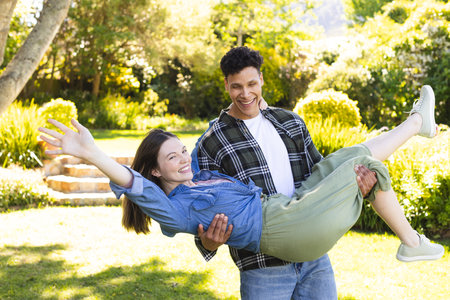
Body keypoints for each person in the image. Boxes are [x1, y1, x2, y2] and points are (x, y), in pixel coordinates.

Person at [38, 87, 444, 264]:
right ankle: (411, 242)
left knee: (349, 155)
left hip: (288, 207)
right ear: (153, 170)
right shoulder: (174, 208)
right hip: (282, 228)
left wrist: (248, 100)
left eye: (182, 150)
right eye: (172, 156)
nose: (183, 158)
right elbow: (134, 185)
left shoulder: (196, 172)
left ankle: (415, 123)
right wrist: (92, 154)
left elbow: (214, 132)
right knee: (367, 166)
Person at [190, 46, 438, 299]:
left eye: (252, 84)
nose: (245, 94)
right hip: (263, 266)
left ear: (262, 80)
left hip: (314, 262)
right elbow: (202, 207)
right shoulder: (212, 143)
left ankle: (416, 123)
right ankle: (417, 123)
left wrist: (356, 186)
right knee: (358, 160)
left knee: (358, 163)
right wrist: (208, 242)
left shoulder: (289, 122)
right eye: (236, 87)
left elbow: (321, 176)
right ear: (225, 84)